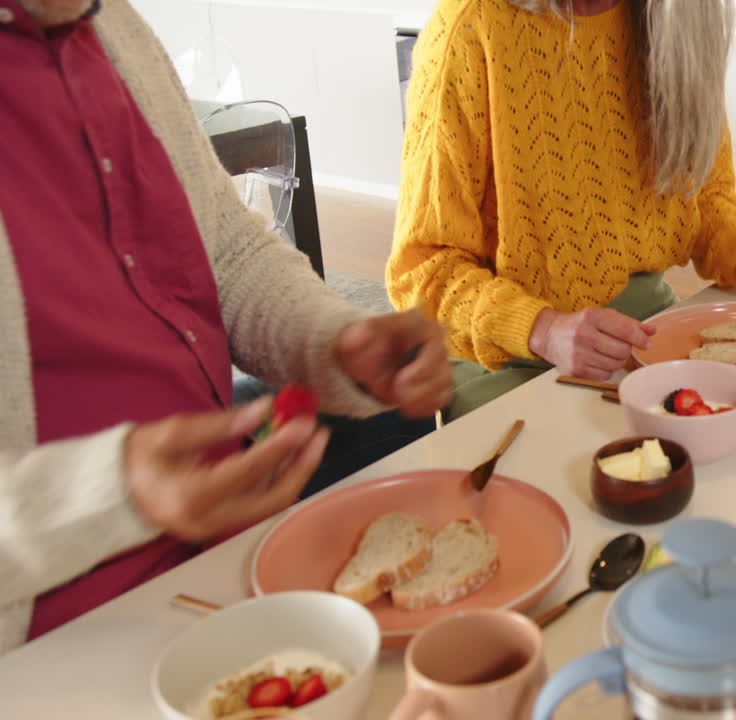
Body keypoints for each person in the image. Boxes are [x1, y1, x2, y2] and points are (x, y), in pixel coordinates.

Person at [0, 0, 452, 653]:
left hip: (222, 555)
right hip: (54, 641)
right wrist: (114, 491)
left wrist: (330, 340)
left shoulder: (112, 28)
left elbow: (228, 252)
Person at [388, 0, 736, 419]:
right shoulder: (470, 28)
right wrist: (543, 329)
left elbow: (702, 201)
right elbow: (424, 270)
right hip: (511, 361)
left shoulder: (677, 22)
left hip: (647, 337)